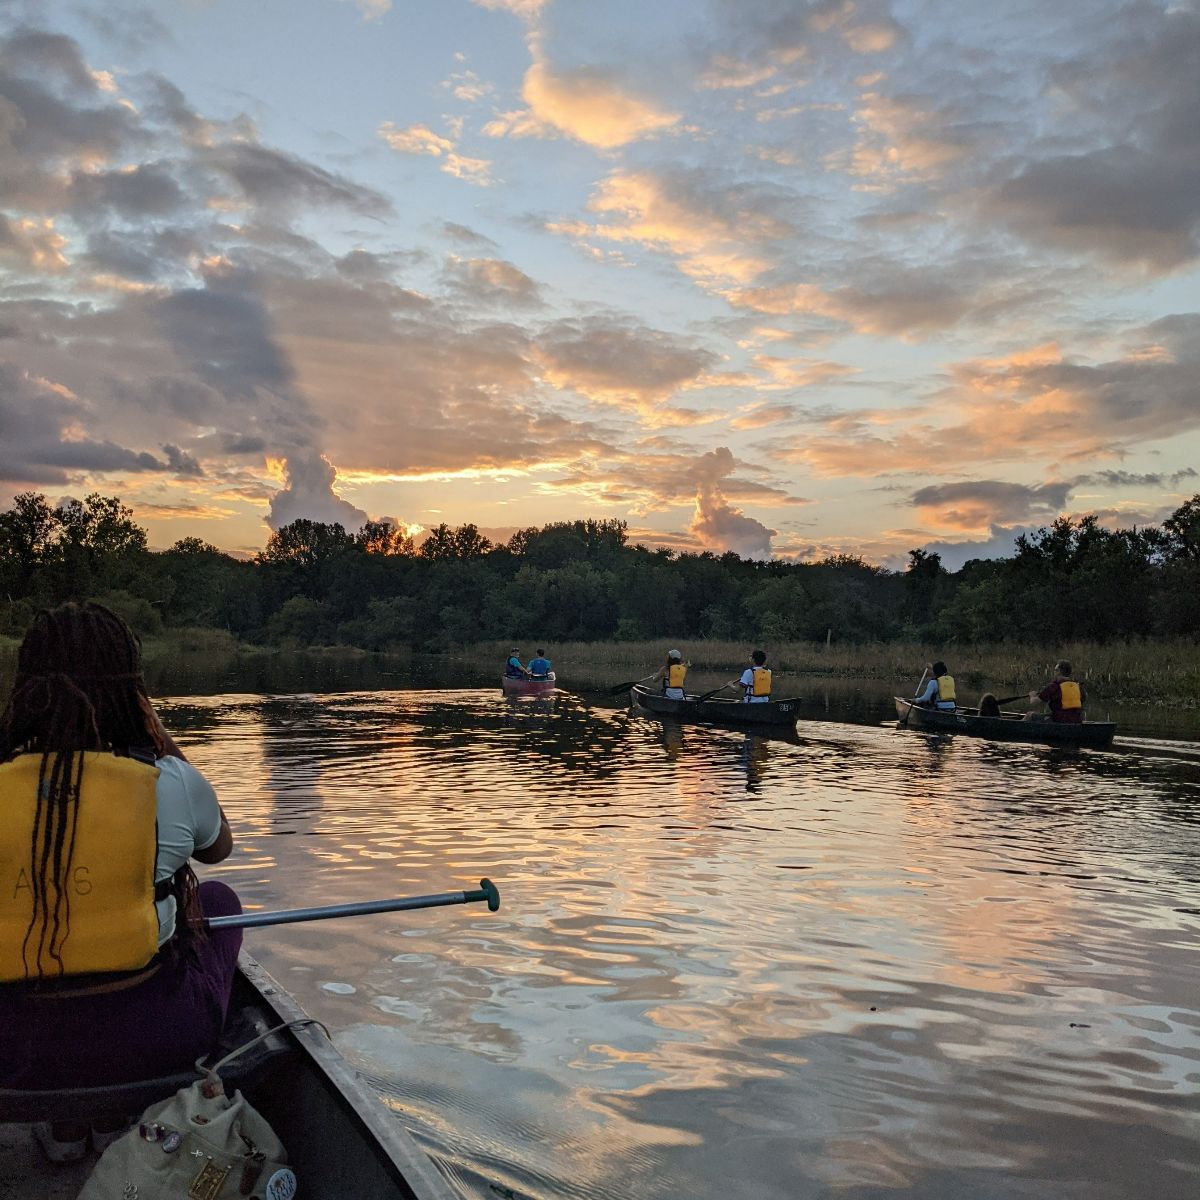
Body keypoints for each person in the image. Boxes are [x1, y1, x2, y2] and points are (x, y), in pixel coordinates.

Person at [0, 603, 240, 1160]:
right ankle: (112, 1117)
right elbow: (219, 849)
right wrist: (159, 738)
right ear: (133, 690)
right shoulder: (166, 779)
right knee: (219, 901)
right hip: (148, 1041)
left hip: (12, 1051)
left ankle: (62, 1129)